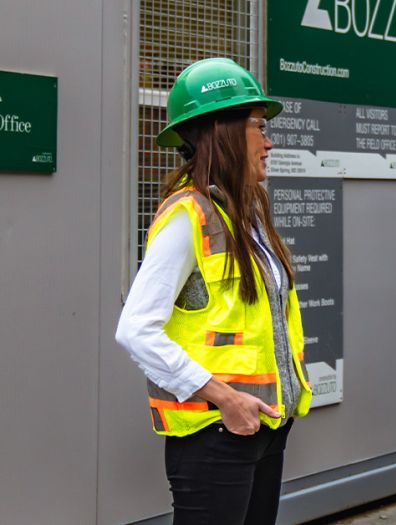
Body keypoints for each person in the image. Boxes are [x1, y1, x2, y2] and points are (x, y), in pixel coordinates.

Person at [115, 57, 312, 524]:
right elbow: (136, 329)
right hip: (216, 432)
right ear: (222, 131)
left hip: (263, 427)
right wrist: (225, 397)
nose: (269, 141)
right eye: (258, 127)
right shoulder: (189, 216)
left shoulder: (245, 214)